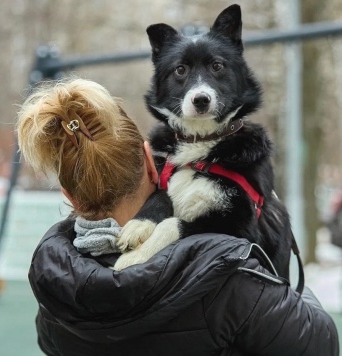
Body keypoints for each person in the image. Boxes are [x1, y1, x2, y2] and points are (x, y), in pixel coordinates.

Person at [17, 78, 339, 356]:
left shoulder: (53, 287)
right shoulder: (229, 278)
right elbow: (322, 342)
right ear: (148, 159)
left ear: (68, 194)